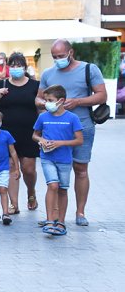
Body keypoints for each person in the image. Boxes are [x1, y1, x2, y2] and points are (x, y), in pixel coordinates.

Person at [37, 39, 106, 227]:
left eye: (61, 56)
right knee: (57, 172)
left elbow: (101, 95)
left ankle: (80, 212)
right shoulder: (48, 73)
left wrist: (77, 102)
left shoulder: (89, 69)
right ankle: (55, 216)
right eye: (54, 57)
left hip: (82, 125)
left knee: (81, 169)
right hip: (55, 130)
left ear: (71, 52)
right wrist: (47, 104)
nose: (58, 60)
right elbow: (38, 98)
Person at [0, 52, 41, 213]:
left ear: (25, 67)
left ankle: (31, 192)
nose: (16, 68)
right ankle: (14, 204)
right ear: (8, 67)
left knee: (28, 168)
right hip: (7, 133)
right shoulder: (1, 83)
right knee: (11, 166)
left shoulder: (35, 85)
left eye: (19, 65)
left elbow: (40, 108)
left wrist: (42, 130)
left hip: (29, 132)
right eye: (13, 65)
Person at [32, 85, 84, 236]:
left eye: (50, 100)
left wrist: (60, 143)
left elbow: (79, 140)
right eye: (45, 100)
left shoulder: (72, 118)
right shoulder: (43, 117)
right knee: (53, 185)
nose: (46, 103)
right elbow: (35, 135)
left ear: (61, 101)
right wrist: (41, 140)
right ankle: (49, 220)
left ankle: (60, 222)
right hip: (47, 157)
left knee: (62, 189)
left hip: (64, 159)